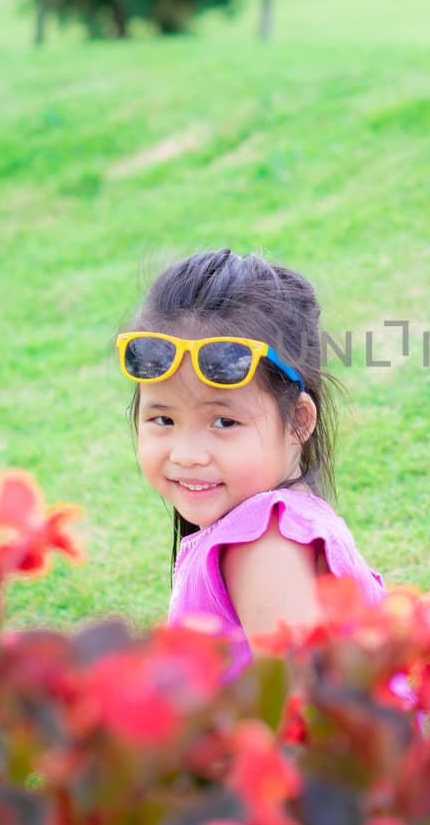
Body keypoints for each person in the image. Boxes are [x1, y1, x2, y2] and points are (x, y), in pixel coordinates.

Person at [116, 248, 385, 674]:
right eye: (163, 418)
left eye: (224, 421)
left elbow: (300, 715)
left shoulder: (264, 543)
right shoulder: (273, 520)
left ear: (298, 421)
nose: (187, 454)